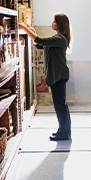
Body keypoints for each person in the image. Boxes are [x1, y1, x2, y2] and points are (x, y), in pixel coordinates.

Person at [18, 13, 72, 141]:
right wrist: (32, 32)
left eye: (54, 21)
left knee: (60, 105)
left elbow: (40, 41)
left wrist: (25, 29)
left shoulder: (60, 38)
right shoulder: (57, 38)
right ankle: (64, 130)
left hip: (59, 76)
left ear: (60, 24)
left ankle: (64, 132)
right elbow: (40, 45)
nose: (52, 23)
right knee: (60, 105)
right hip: (57, 76)